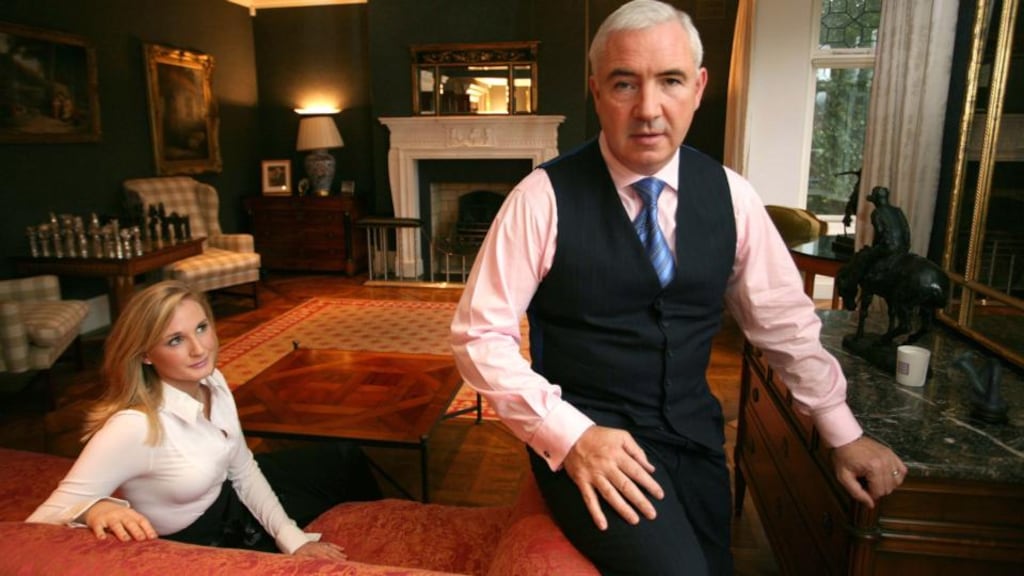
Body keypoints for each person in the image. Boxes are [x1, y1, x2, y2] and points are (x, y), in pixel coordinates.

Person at [449, 1, 907, 574]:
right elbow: (479, 336)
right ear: (596, 92)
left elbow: (784, 324)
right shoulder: (541, 197)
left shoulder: (732, 196)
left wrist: (843, 433)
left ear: (699, 87)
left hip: (696, 441)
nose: (648, 109)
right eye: (624, 84)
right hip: (592, 443)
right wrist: (571, 436)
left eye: (670, 81)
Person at [27, 280, 380, 558]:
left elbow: (242, 468)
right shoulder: (133, 427)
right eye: (176, 340)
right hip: (211, 536)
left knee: (344, 454)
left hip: (229, 494)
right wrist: (92, 509)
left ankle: (381, 531)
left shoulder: (212, 380)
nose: (199, 349)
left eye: (201, 327)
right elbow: (37, 524)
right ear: (146, 355)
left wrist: (293, 539)